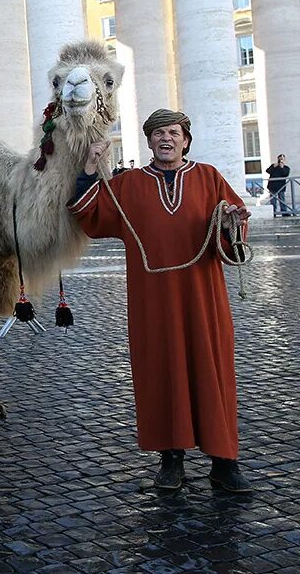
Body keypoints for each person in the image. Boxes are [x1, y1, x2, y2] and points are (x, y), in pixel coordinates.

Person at [70, 109, 252, 493]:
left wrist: (231, 223)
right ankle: (171, 460)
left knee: (212, 369)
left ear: (186, 139)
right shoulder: (129, 184)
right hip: (152, 303)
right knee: (160, 372)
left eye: (173, 133)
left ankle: (224, 461)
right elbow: (88, 213)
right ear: (148, 141)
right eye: (157, 134)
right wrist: (89, 166)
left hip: (204, 299)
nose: (166, 139)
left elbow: (234, 238)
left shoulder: (209, 178)